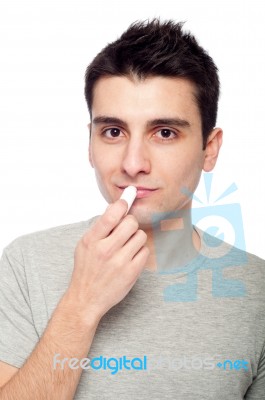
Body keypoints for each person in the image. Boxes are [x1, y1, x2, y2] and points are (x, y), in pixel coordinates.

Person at [0, 18, 264, 400]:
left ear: (210, 148)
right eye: (113, 132)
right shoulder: (25, 265)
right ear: (90, 144)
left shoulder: (258, 292)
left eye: (165, 133)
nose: (133, 163)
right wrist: (82, 303)